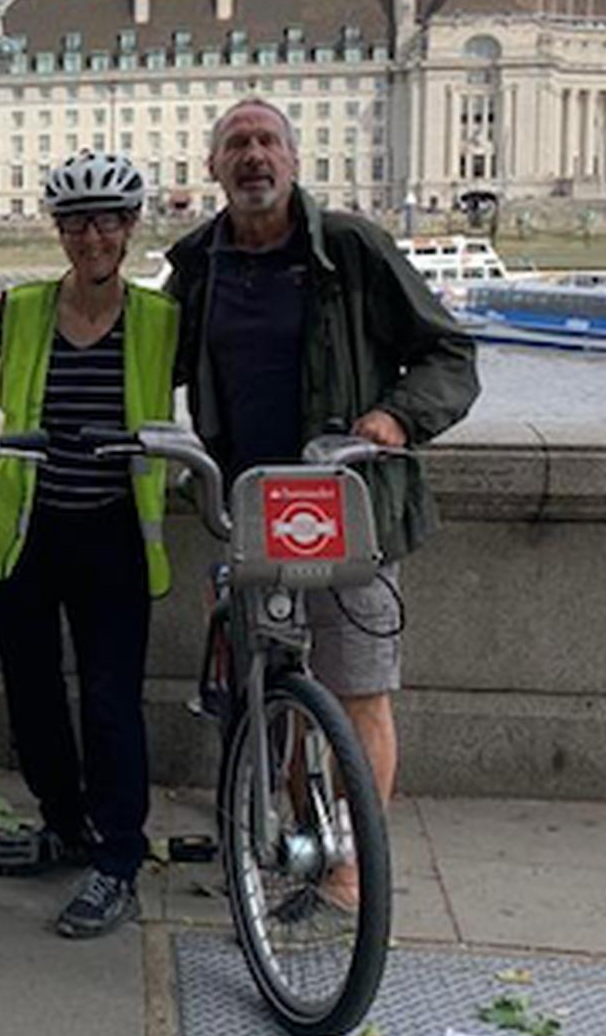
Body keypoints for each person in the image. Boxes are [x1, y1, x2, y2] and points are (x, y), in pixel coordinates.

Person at [168, 98, 479, 907]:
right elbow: (147, 355)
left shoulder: (349, 246)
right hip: (248, 512)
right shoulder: (198, 262)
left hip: (348, 505)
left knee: (359, 690)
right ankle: (292, 842)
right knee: (268, 694)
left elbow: (448, 352)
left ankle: (351, 863)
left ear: (295, 160)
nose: (253, 156)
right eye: (236, 144)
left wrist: (397, 418)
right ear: (213, 168)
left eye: (268, 140)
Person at [0, 152, 178, 937]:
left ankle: (117, 858)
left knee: (113, 697)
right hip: (25, 525)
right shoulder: (19, 309)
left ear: (129, 229)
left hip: (117, 527)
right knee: (34, 688)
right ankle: (64, 823)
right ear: (59, 231)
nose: (93, 237)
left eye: (108, 222)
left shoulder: (160, 318)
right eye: (78, 223)